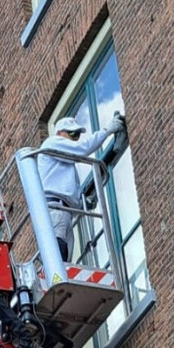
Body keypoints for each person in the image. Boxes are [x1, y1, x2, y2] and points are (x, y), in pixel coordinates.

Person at [38, 110, 126, 264]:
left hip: (65, 211)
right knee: (58, 254)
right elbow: (83, 148)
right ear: (59, 132)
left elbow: (67, 190)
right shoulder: (52, 143)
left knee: (65, 261)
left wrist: (82, 201)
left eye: (77, 135)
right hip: (56, 208)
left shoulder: (66, 166)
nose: (75, 139)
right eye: (72, 135)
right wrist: (108, 130)